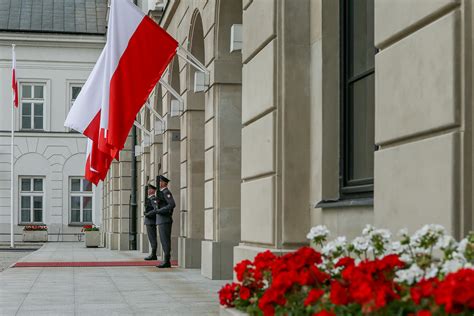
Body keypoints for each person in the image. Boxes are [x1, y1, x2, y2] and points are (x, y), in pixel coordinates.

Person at [145, 175, 175, 268]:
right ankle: (166, 260)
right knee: (163, 240)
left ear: (164, 183)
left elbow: (172, 204)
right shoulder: (161, 193)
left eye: (160, 182)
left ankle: (167, 261)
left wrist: (159, 211)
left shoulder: (166, 192)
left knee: (165, 241)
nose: (159, 183)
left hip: (165, 219)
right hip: (161, 220)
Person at [144, 183, 158, 260]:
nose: (148, 190)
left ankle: (153, 254)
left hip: (151, 221)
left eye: (150, 189)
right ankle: (153, 253)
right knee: (151, 238)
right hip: (149, 221)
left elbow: (156, 209)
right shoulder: (149, 199)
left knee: (152, 238)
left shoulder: (153, 199)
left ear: (153, 190)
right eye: (148, 189)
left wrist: (148, 214)